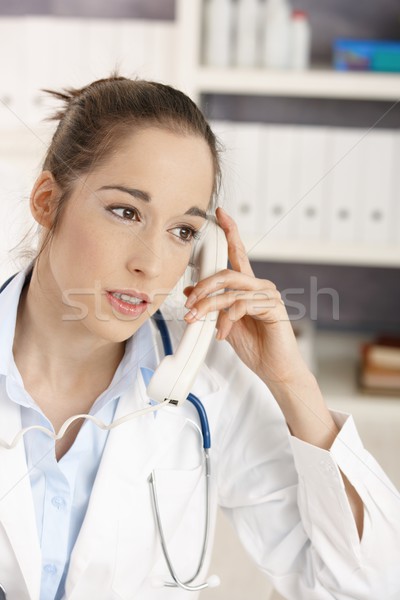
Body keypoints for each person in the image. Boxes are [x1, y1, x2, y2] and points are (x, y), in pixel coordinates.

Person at [0, 73, 399, 600]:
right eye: (126, 212)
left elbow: (369, 587)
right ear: (48, 201)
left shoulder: (207, 385)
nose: (151, 263)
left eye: (182, 231)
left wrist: (291, 383)